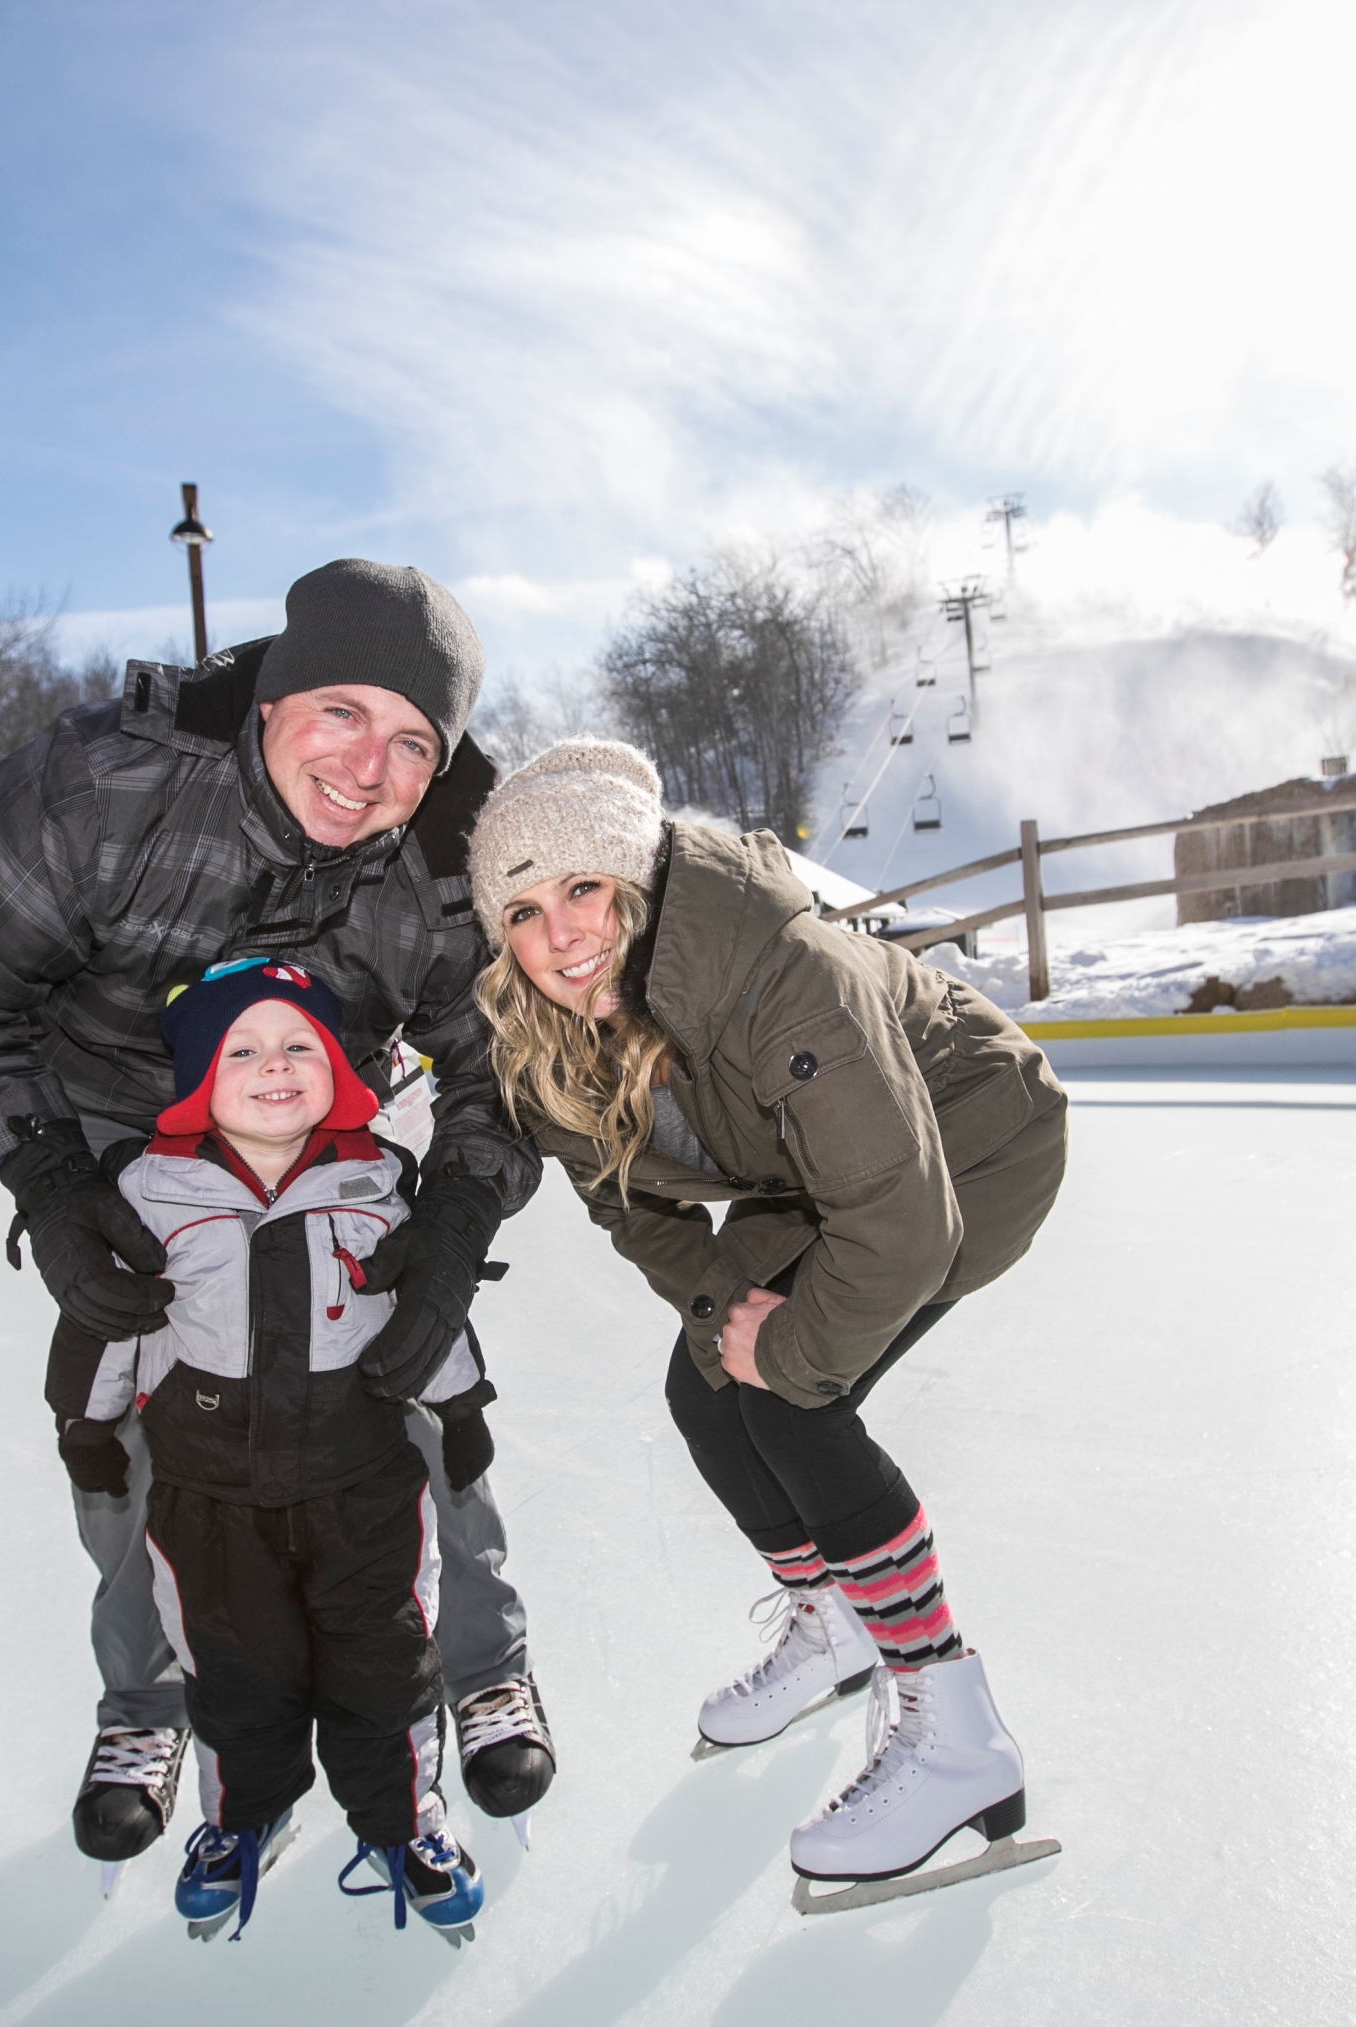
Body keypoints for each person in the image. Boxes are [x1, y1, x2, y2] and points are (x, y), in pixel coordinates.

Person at [0, 561, 553, 1876]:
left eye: (415, 740)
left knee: (411, 1385)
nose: (370, 767)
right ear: (274, 696)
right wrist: (52, 1182)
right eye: (342, 711)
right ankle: (149, 1700)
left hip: (321, 1115)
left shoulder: (455, 855)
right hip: (110, 1126)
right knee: (119, 1421)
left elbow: (502, 1062)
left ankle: (481, 1665)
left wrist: (458, 1213)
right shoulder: (96, 789)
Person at [461, 739, 1068, 1890]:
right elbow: (630, 1209)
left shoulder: (780, 965)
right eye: (524, 911)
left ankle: (956, 1731)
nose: (561, 937)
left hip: (975, 1141)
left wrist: (785, 1342)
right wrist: (720, 1304)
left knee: (794, 1393)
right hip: (818, 1177)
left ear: (633, 883)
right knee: (706, 1377)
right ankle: (831, 1620)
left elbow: (898, 1221)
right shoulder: (551, 1038)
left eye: (584, 889)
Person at [77, 956, 495, 1941]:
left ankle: (406, 1821)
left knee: (384, 1662)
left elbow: (425, 1306)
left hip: (364, 1491)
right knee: (233, 1672)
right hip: (207, 1497)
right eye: (244, 1049)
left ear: (340, 1070)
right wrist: (91, 1427)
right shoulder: (147, 1194)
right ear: (194, 1081)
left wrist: (464, 1404)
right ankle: (239, 1818)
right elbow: (113, 1325)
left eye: (299, 1044)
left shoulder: (378, 1180)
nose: (276, 1065)